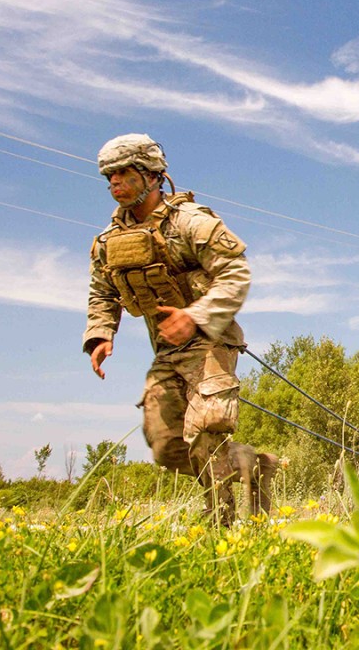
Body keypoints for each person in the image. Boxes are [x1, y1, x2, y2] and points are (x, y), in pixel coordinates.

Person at [82, 133, 276, 524]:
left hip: (211, 342)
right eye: (110, 178)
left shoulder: (191, 223)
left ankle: (219, 525)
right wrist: (101, 333)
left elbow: (235, 274)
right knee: (166, 447)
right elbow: (102, 291)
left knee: (205, 430)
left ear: (152, 175)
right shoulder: (108, 241)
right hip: (167, 350)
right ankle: (253, 465)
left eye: (125, 175)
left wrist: (197, 315)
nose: (115, 184)